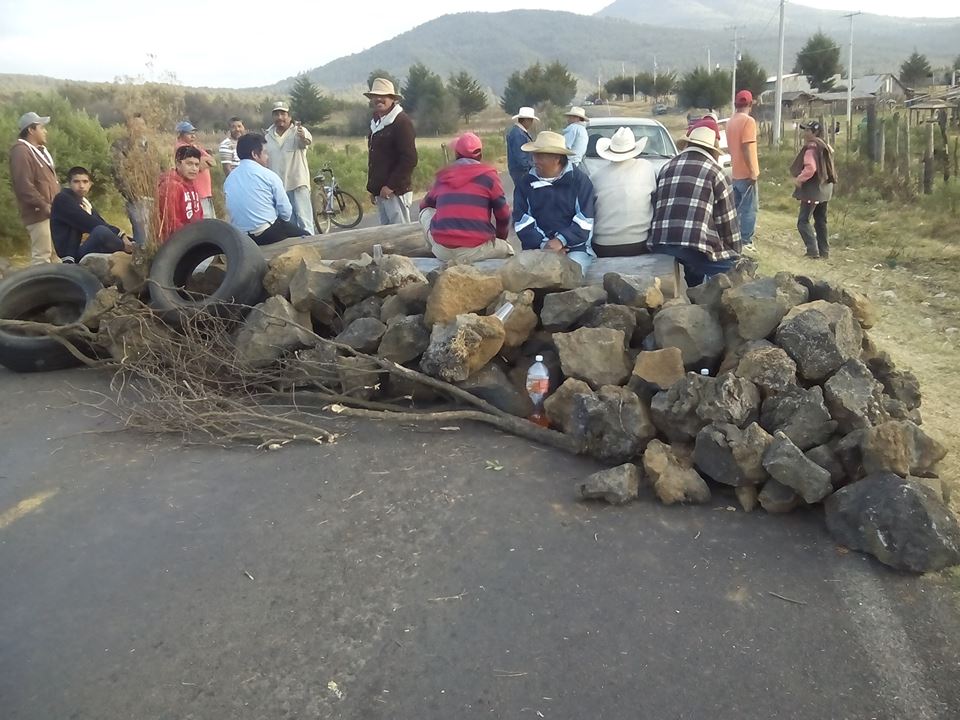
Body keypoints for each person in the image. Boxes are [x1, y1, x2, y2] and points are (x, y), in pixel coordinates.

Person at [647, 124, 741, 286]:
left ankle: (692, 289)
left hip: (661, 245)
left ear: (688, 144)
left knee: (692, 263)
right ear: (712, 151)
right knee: (733, 270)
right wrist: (735, 253)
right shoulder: (716, 173)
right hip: (695, 249)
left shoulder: (666, 168)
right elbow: (727, 223)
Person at [418, 132, 513, 264]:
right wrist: (500, 238)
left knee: (425, 212)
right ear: (480, 154)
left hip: (443, 251)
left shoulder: (444, 176)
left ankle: (432, 250)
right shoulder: (489, 176)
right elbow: (503, 215)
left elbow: (424, 205)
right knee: (508, 250)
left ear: (457, 154)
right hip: (475, 249)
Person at [513, 131, 595, 273]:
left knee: (571, 275)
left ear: (556, 158)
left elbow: (585, 220)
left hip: (574, 249)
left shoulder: (580, 181)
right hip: (537, 249)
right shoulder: (525, 183)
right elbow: (521, 221)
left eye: (540, 156)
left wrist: (561, 241)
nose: (534, 160)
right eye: (534, 155)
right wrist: (545, 245)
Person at [224, 133, 306, 246]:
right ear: (255, 154)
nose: (268, 157)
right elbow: (286, 212)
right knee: (307, 238)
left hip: (242, 237)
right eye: (265, 153)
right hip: (266, 233)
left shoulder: (229, 179)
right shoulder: (268, 176)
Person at [590, 127, 657, 257]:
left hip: (603, 245)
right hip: (639, 242)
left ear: (609, 151)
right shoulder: (647, 167)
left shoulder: (596, 176)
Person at [51, 166, 134, 263]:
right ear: (69, 184)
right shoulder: (62, 199)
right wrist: (121, 235)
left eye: (85, 182)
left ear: (90, 184)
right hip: (73, 255)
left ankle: (132, 248)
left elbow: (101, 222)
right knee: (101, 231)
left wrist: (125, 237)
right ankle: (129, 251)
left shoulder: (85, 203)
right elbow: (88, 222)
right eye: (76, 182)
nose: (81, 186)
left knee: (108, 232)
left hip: (85, 246)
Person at [364, 78, 418, 226]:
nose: (379, 99)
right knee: (386, 237)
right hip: (382, 192)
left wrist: (390, 186)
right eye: (375, 96)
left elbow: (410, 158)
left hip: (396, 191)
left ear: (392, 98)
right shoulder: (376, 121)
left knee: (400, 236)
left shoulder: (402, 122)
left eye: (384, 96)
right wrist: (374, 189)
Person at [9, 111, 60, 264]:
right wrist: (43, 205)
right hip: (38, 213)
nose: (45, 131)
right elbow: (23, 185)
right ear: (31, 130)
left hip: (50, 212)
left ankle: (57, 287)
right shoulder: (21, 151)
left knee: (55, 257)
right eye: (42, 127)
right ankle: (42, 288)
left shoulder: (38, 151)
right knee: (42, 257)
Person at [111, 113, 165, 246]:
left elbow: (161, 168)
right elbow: (118, 172)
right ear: (128, 127)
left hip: (155, 197)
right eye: (135, 125)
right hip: (136, 199)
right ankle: (141, 264)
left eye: (141, 124)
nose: (138, 128)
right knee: (142, 239)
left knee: (157, 238)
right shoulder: (121, 145)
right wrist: (132, 194)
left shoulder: (151, 145)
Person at [264, 101, 316, 235]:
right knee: (287, 222)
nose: (280, 117)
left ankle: (311, 249)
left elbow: (306, 141)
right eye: (276, 114)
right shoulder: (267, 136)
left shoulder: (298, 131)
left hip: (298, 183)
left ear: (289, 116)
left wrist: (302, 136)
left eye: (283, 114)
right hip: (278, 187)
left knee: (304, 220)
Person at [791, 120, 837, 260]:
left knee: (803, 221)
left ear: (814, 132)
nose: (804, 133)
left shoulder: (811, 148)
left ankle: (813, 250)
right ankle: (824, 251)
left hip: (813, 190)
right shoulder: (824, 145)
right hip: (825, 189)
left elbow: (811, 168)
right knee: (821, 220)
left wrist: (799, 179)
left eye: (807, 130)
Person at [725, 90, 760, 252]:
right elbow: (746, 147)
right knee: (749, 209)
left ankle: (733, 236)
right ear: (751, 104)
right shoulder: (749, 122)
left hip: (735, 172)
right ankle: (746, 241)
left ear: (735, 104)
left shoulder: (730, 122)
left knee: (737, 208)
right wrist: (753, 171)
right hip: (746, 173)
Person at [155, 145, 204, 242]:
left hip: (192, 239)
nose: (194, 169)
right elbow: (171, 222)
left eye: (196, 165)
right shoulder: (171, 186)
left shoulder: (191, 184)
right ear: (178, 164)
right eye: (189, 164)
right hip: (176, 244)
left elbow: (199, 214)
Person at [174, 121, 217, 220]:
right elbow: (200, 165)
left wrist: (206, 159)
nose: (193, 136)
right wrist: (204, 160)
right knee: (204, 224)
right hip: (198, 191)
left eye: (193, 133)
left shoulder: (195, 147)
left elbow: (213, 162)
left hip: (205, 192)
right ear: (181, 134)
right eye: (189, 133)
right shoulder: (182, 148)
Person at [506, 106, 537, 188]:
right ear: (526, 120)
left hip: (519, 171)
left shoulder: (518, 132)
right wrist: (532, 167)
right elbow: (521, 157)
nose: (531, 122)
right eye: (530, 120)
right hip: (521, 172)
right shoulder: (518, 134)